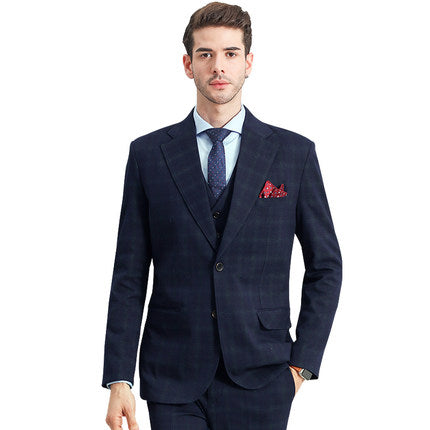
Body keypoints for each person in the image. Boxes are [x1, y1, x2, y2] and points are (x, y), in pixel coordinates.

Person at [102, 2, 342, 429]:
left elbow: (325, 265)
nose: (218, 66)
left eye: (231, 53)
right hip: (172, 374)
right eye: (206, 54)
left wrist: (302, 365)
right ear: (188, 64)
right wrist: (119, 376)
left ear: (248, 63)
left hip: (263, 374)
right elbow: (129, 273)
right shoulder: (148, 155)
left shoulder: (294, 154)